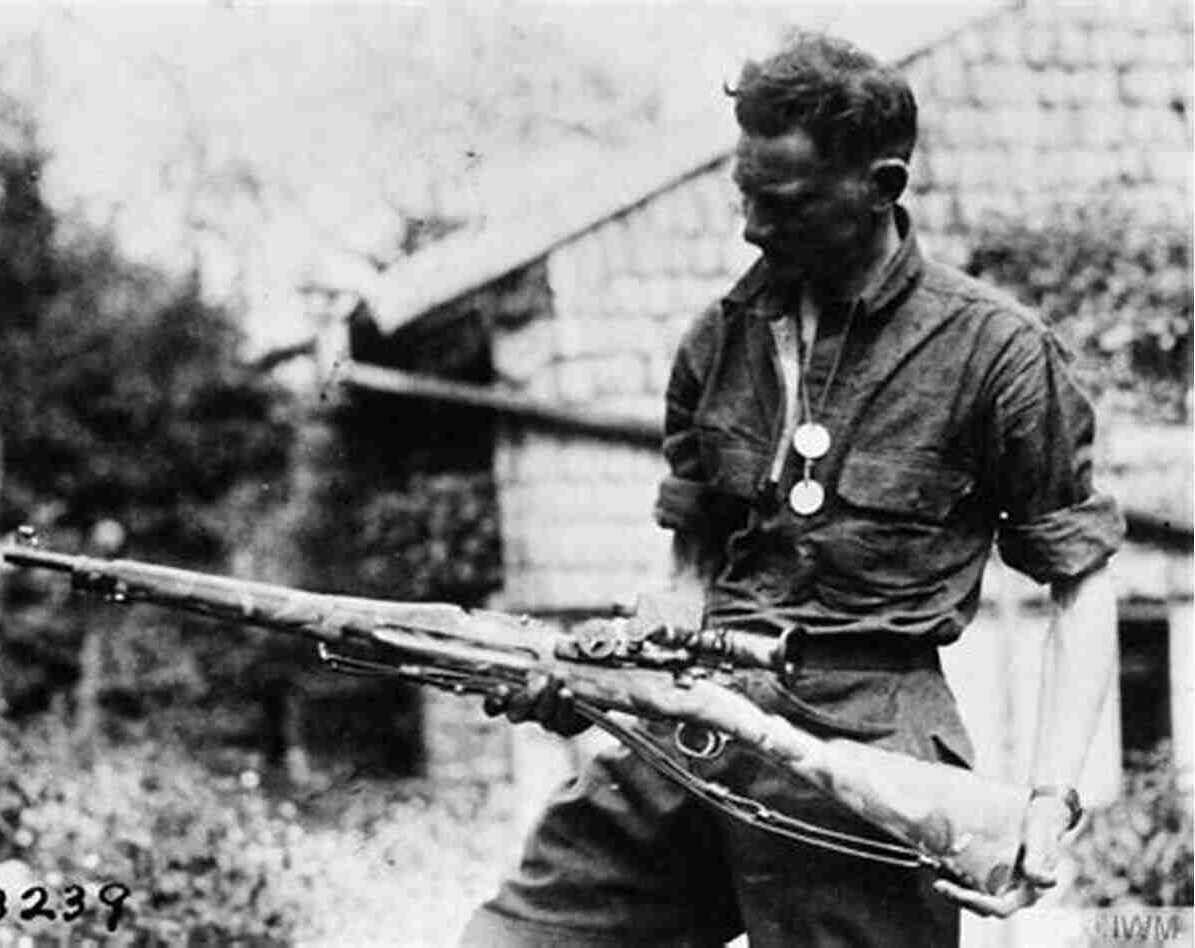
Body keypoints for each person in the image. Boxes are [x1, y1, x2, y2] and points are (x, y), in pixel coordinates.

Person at [462, 33, 1123, 947]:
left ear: (884, 186)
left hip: (872, 761)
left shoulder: (997, 354)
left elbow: (1082, 581)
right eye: (744, 196)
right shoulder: (716, 341)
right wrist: (601, 668)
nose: (752, 228)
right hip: (692, 731)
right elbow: (688, 572)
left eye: (785, 203)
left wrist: (1051, 797)